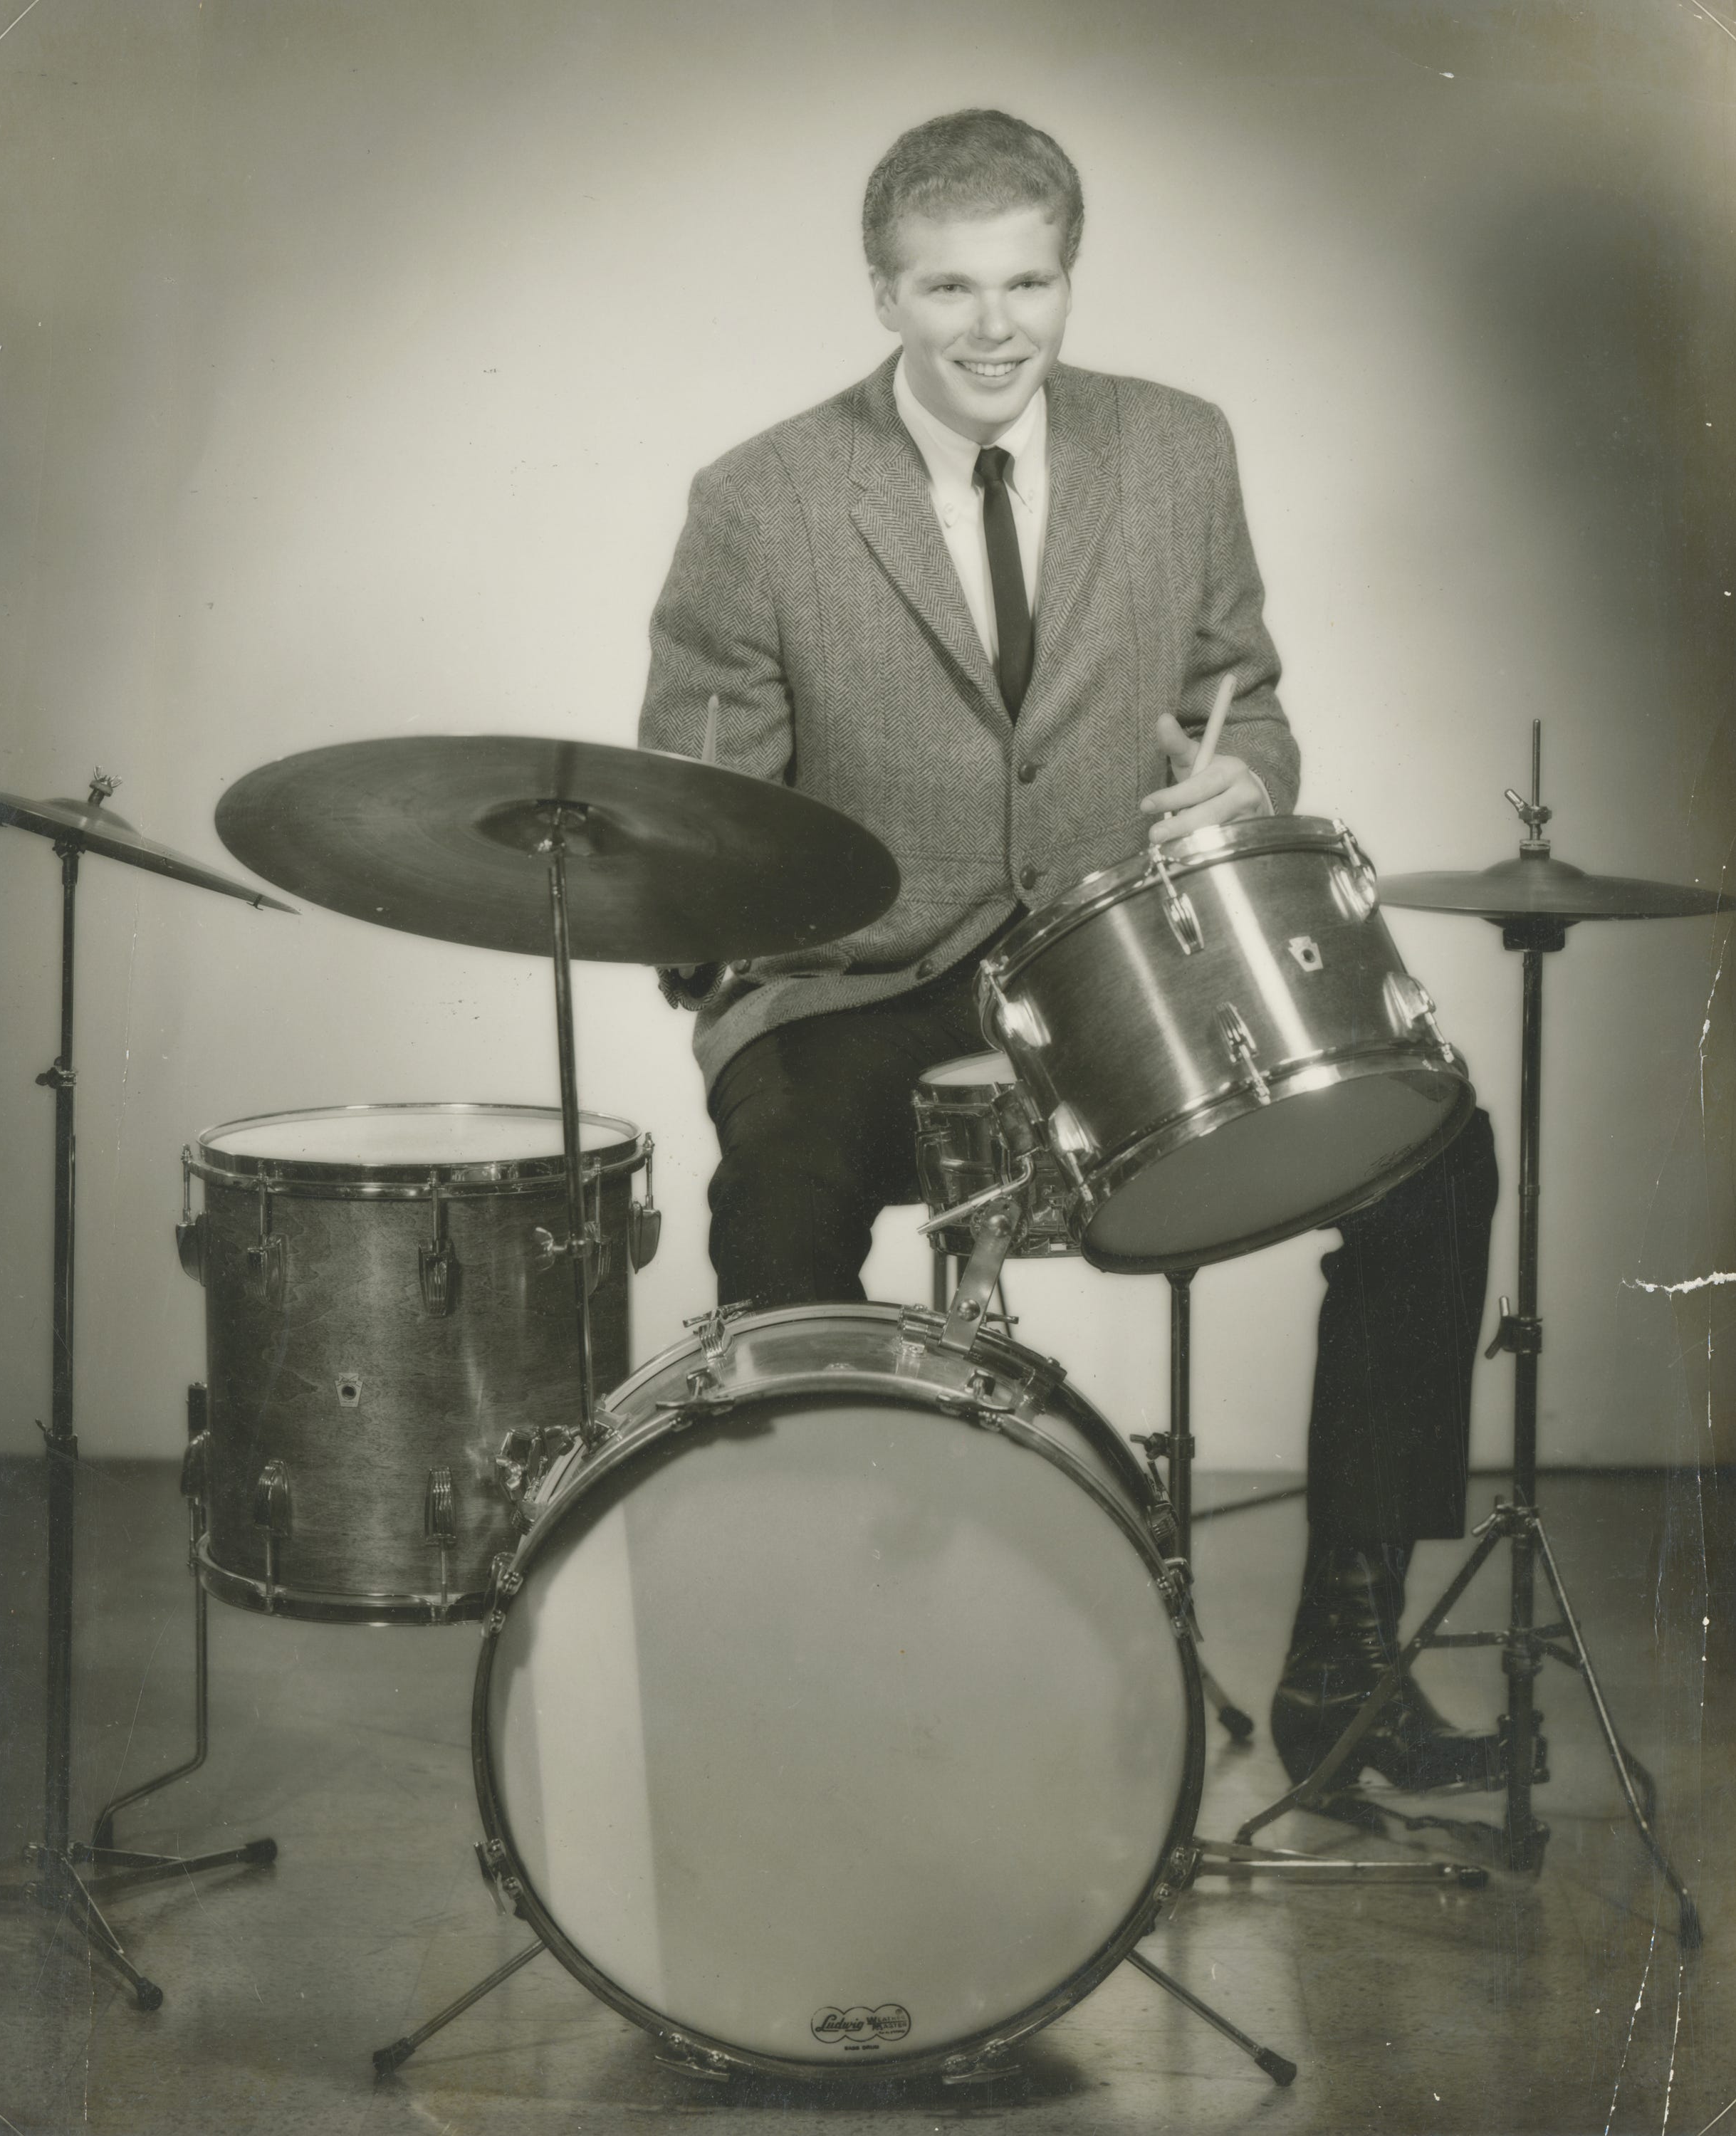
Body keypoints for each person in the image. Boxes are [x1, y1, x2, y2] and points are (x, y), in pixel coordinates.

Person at [638, 108, 1500, 1794]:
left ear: (1067, 277)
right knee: (785, 1189)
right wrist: (735, 950)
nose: (993, 327)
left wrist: (1253, 771)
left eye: (1028, 280)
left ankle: (1348, 1663)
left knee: (1434, 1152)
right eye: (948, 286)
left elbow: (1238, 693)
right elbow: (711, 822)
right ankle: (817, 1673)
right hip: (868, 981)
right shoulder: (759, 498)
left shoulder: (1179, 447)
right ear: (882, 292)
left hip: (1119, 966)